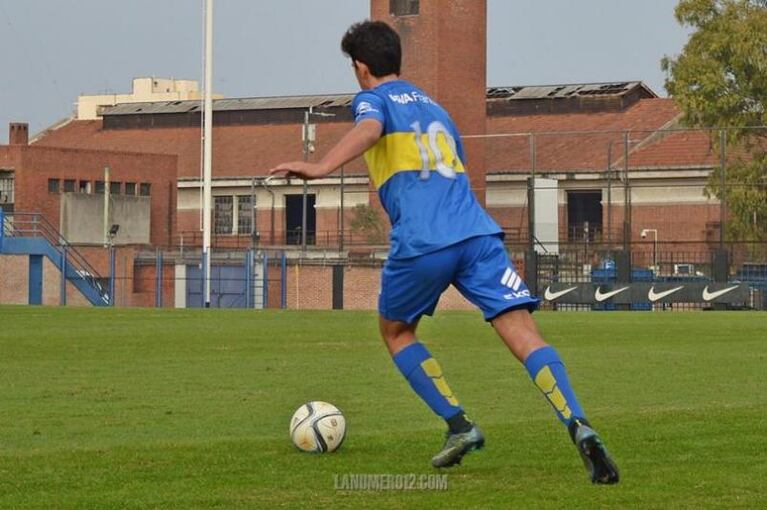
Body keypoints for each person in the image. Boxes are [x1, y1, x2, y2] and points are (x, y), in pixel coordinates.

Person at [270, 20, 619, 484]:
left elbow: (371, 128)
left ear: (361, 66)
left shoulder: (372, 99)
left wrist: (319, 167)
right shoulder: (437, 108)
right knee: (523, 332)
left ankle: (460, 425)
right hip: (477, 234)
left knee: (396, 332)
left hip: (423, 240)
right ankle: (578, 423)